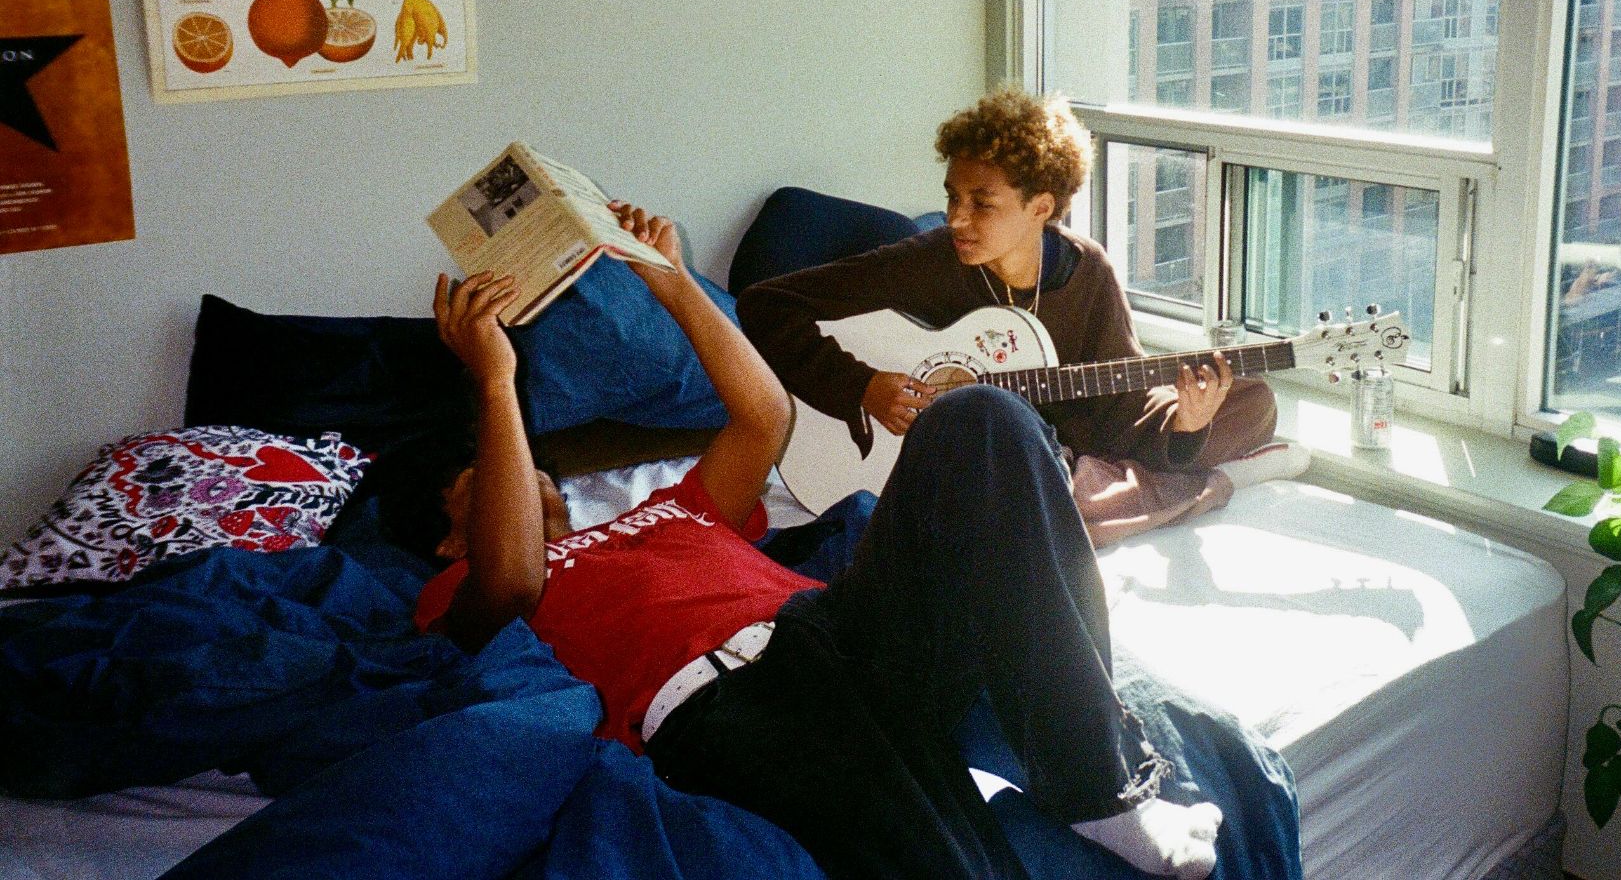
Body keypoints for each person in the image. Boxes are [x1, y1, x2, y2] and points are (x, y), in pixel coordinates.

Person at [414, 201, 1227, 880]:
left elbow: (764, 416)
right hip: (730, 705)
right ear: (452, 541)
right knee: (940, 857)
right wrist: (495, 380)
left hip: (841, 631)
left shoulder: (667, 510)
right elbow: (511, 577)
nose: (522, 472)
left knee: (982, 417)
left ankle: (1100, 790)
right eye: (482, 477)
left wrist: (670, 281)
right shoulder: (462, 592)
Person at [737, 86, 1302, 546]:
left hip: (1063, 446)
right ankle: (1207, 483)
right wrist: (862, 386)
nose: (956, 219)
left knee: (1252, 401)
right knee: (1031, 514)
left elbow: (1121, 406)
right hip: (981, 460)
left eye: (981, 203)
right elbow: (766, 304)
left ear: (1041, 207)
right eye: (952, 196)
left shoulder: (1086, 272)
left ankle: (1168, 473)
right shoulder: (929, 261)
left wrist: (1188, 423)